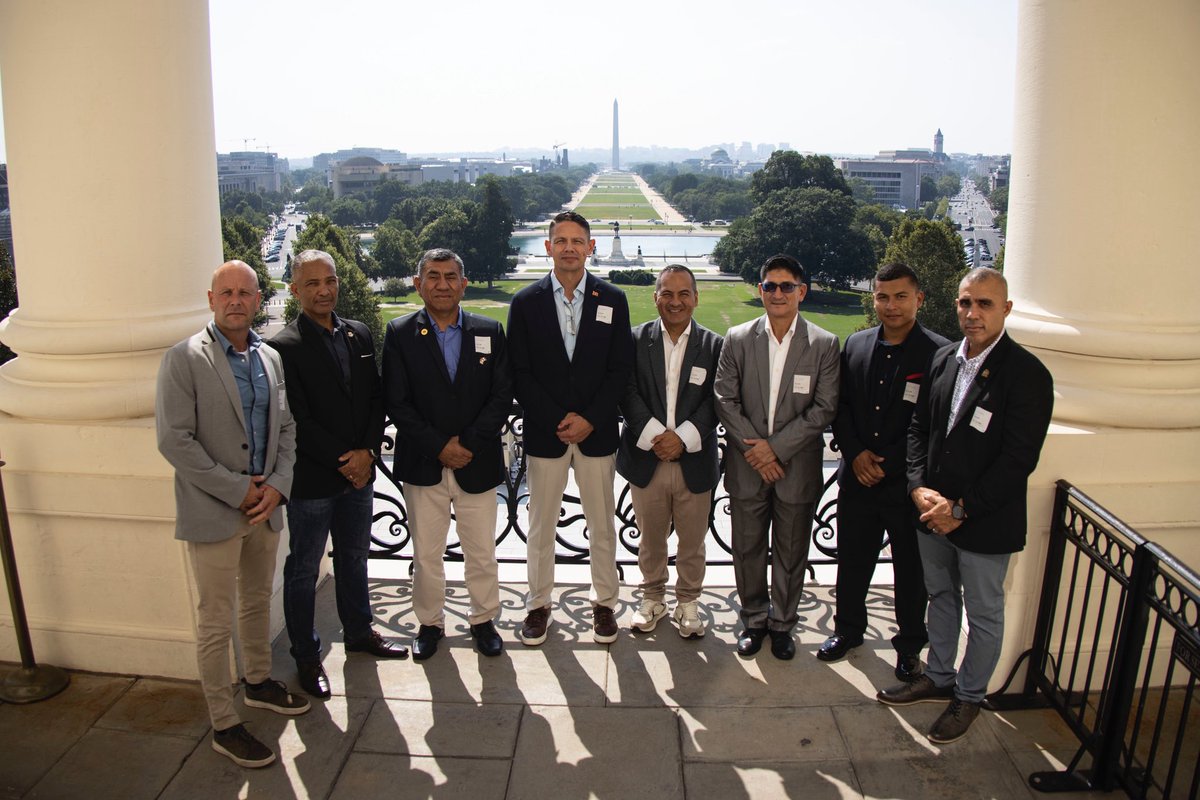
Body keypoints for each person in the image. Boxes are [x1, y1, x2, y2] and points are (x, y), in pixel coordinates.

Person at [877, 267, 1053, 745]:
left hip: (983, 521)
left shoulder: (1028, 375)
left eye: (985, 304)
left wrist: (960, 509)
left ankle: (969, 696)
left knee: (984, 614)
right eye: (965, 302)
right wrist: (918, 488)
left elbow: (1018, 460)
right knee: (940, 597)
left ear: (1006, 309)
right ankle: (938, 677)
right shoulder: (942, 360)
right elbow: (919, 430)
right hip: (932, 514)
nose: (972, 313)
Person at [156, 260, 309, 769]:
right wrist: (237, 489)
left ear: (258, 300)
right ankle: (224, 723)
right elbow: (174, 440)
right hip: (216, 510)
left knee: (257, 601)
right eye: (227, 293)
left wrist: (278, 488)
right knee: (215, 620)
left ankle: (258, 682)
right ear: (211, 299)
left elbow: (285, 430)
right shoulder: (183, 358)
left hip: (264, 508)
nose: (236, 300)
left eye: (245, 292)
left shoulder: (269, 357)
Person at [267, 249, 408, 701]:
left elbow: (374, 398)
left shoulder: (358, 333)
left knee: (354, 558)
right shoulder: (283, 347)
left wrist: (367, 452)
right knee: (303, 569)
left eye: (329, 281)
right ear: (295, 290)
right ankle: (307, 656)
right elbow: (297, 418)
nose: (323, 290)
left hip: (359, 474)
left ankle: (359, 632)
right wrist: (345, 459)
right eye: (312, 284)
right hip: (314, 479)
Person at [507, 210, 635, 645]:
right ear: (548, 247)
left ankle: (604, 603)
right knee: (541, 526)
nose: (568, 248)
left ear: (590, 247)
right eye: (560, 241)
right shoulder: (525, 302)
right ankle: (538, 604)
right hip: (547, 434)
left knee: (602, 525)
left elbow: (620, 369)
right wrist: (557, 419)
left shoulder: (612, 299)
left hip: (596, 434)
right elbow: (520, 372)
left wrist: (590, 418)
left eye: (577, 241)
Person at [820, 263, 950, 679]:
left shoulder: (940, 353)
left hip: (907, 486)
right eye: (882, 297)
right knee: (852, 561)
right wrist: (856, 453)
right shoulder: (856, 344)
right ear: (873, 299)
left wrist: (889, 463)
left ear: (919, 299)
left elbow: (933, 424)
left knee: (910, 571)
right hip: (857, 480)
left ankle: (910, 645)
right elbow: (841, 406)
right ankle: (847, 630)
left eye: (900, 297)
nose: (891, 305)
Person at [382, 248, 512, 660]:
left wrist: (467, 444)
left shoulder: (489, 330)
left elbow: (501, 396)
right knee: (426, 553)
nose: (442, 285)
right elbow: (397, 401)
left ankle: (483, 619)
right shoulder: (400, 334)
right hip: (424, 463)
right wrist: (439, 446)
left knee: (481, 551)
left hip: (477, 461)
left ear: (463, 284)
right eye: (433, 276)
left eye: (451, 276)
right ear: (418, 284)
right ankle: (430, 623)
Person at [714, 254, 840, 660]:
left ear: (802, 291)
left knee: (791, 550)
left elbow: (824, 408)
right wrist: (758, 452)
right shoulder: (737, 338)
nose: (778, 293)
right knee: (747, 548)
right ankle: (753, 619)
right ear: (760, 290)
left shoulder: (823, 344)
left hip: (795, 467)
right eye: (770, 286)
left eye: (787, 286)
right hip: (748, 465)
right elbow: (724, 399)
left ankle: (783, 623)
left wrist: (776, 449)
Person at [617, 264, 723, 638]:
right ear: (655, 297)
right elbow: (626, 391)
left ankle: (688, 602)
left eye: (683, 294)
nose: (675, 302)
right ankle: (652, 598)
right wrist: (656, 436)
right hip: (647, 457)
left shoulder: (714, 345)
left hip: (694, 458)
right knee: (650, 539)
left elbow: (717, 399)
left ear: (696, 298)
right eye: (667, 293)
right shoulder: (634, 340)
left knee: (693, 542)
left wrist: (682, 437)